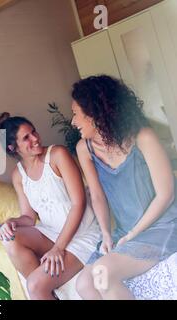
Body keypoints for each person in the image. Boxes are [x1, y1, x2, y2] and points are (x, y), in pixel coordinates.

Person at [71, 75, 177, 300]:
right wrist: (107, 234)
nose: (73, 122)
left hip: (161, 226)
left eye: (75, 114)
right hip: (124, 230)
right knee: (83, 284)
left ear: (94, 113)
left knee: (104, 273)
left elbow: (166, 194)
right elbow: (97, 196)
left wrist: (132, 234)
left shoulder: (143, 137)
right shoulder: (85, 149)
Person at [0, 112, 100, 300]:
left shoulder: (58, 155)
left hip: (82, 233)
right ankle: (50, 290)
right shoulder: (18, 175)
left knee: (34, 285)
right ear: (12, 147)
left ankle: (43, 286)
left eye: (33, 132)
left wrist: (58, 248)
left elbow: (78, 203)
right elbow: (29, 217)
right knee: (9, 238)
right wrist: (11, 221)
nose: (35, 138)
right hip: (51, 232)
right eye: (26, 138)